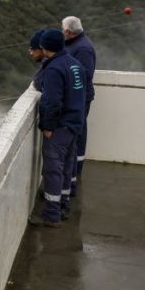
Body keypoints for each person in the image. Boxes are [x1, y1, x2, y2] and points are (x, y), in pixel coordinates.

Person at [29, 29, 86, 227]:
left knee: (53, 169)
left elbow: (52, 102)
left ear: (45, 48)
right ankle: (63, 206)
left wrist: (47, 126)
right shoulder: (75, 64)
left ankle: (51, 215)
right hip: (75, 124)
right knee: (66, 167)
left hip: (60, 126)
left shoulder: (54, 69)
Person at [62, 16, 96, 197]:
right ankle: (72, 170)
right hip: (76, 97)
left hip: (80, 98)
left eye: (62, 29)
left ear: (68, 31)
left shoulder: (83, 49)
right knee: (77, 130)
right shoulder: (73, 44)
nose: (61, 32)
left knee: (77, 132)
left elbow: (84, 75)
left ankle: (76, 169)